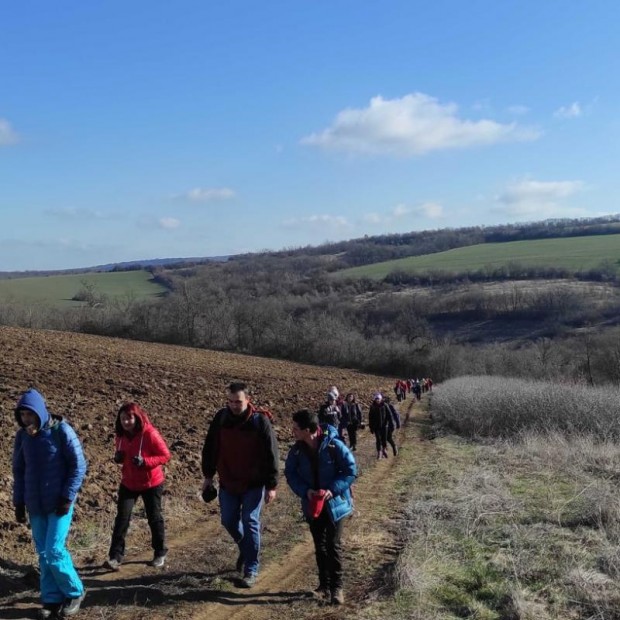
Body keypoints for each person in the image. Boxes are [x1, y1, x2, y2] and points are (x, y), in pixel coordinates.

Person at [12, 388, 88, 619]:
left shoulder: (61, 431)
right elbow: (19, 470)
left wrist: (67, 497)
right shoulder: (22, 436)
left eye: (30, 414)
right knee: (44, 553)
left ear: (40, 412)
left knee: (54, 551)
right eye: (23, 415)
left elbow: (78, 466)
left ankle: (75, 591)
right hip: (36, 505)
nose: (26, 419)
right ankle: (52, 598)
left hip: (59, 504)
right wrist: (18, 503)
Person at [201, 382, 279, 588]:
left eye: (239, 401)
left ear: (248, 401)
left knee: (250, 520)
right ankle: (246, 548)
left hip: (253, 482)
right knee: (228, 521)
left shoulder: (260, 421)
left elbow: (272, 454)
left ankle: (251, 569)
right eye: (231, 401)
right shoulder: (221, 419)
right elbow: (210, 447)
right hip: (228, 480)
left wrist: (271, 485)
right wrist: (208, 476)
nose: (235, 405)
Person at [284, 409, 356, 606]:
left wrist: (332, 490)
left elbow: (351, 471)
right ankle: (323, 586)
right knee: (319, 545)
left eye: (296, 428)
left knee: (333, 545)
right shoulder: (297, 450)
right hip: (312, 505)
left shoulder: (334, 445)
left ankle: (337, 588)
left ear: (309, 430)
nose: (293, 431)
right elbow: (290, 474)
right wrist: (306, 491)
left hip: (335, 505)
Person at [105, 402, 171, 571]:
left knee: (154, 516)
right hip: (129, 481)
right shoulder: (120, 435)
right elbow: (121, 454)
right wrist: (118, 458)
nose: (126, 422)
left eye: (129, 418)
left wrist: (146, 462)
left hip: (151, 482)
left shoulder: (150, 434)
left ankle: (160, 552)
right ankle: (115, 557)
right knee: (122, 518)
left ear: (137, 417)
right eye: (122, 419)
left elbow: (165, 455)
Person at [368, 392, 393, 459]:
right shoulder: (372, 407)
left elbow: (389, 415)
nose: (377, 400)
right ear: (374, 400)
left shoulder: (385, 405)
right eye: (376, 399)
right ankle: (379, 452)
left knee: (384, 439)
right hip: (376, 426)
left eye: (378, 399)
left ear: (381, 399)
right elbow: (370, 418)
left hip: (384, 425)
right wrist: (371, 427)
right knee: (378, 439)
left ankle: (384, 450)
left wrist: (391, 424)